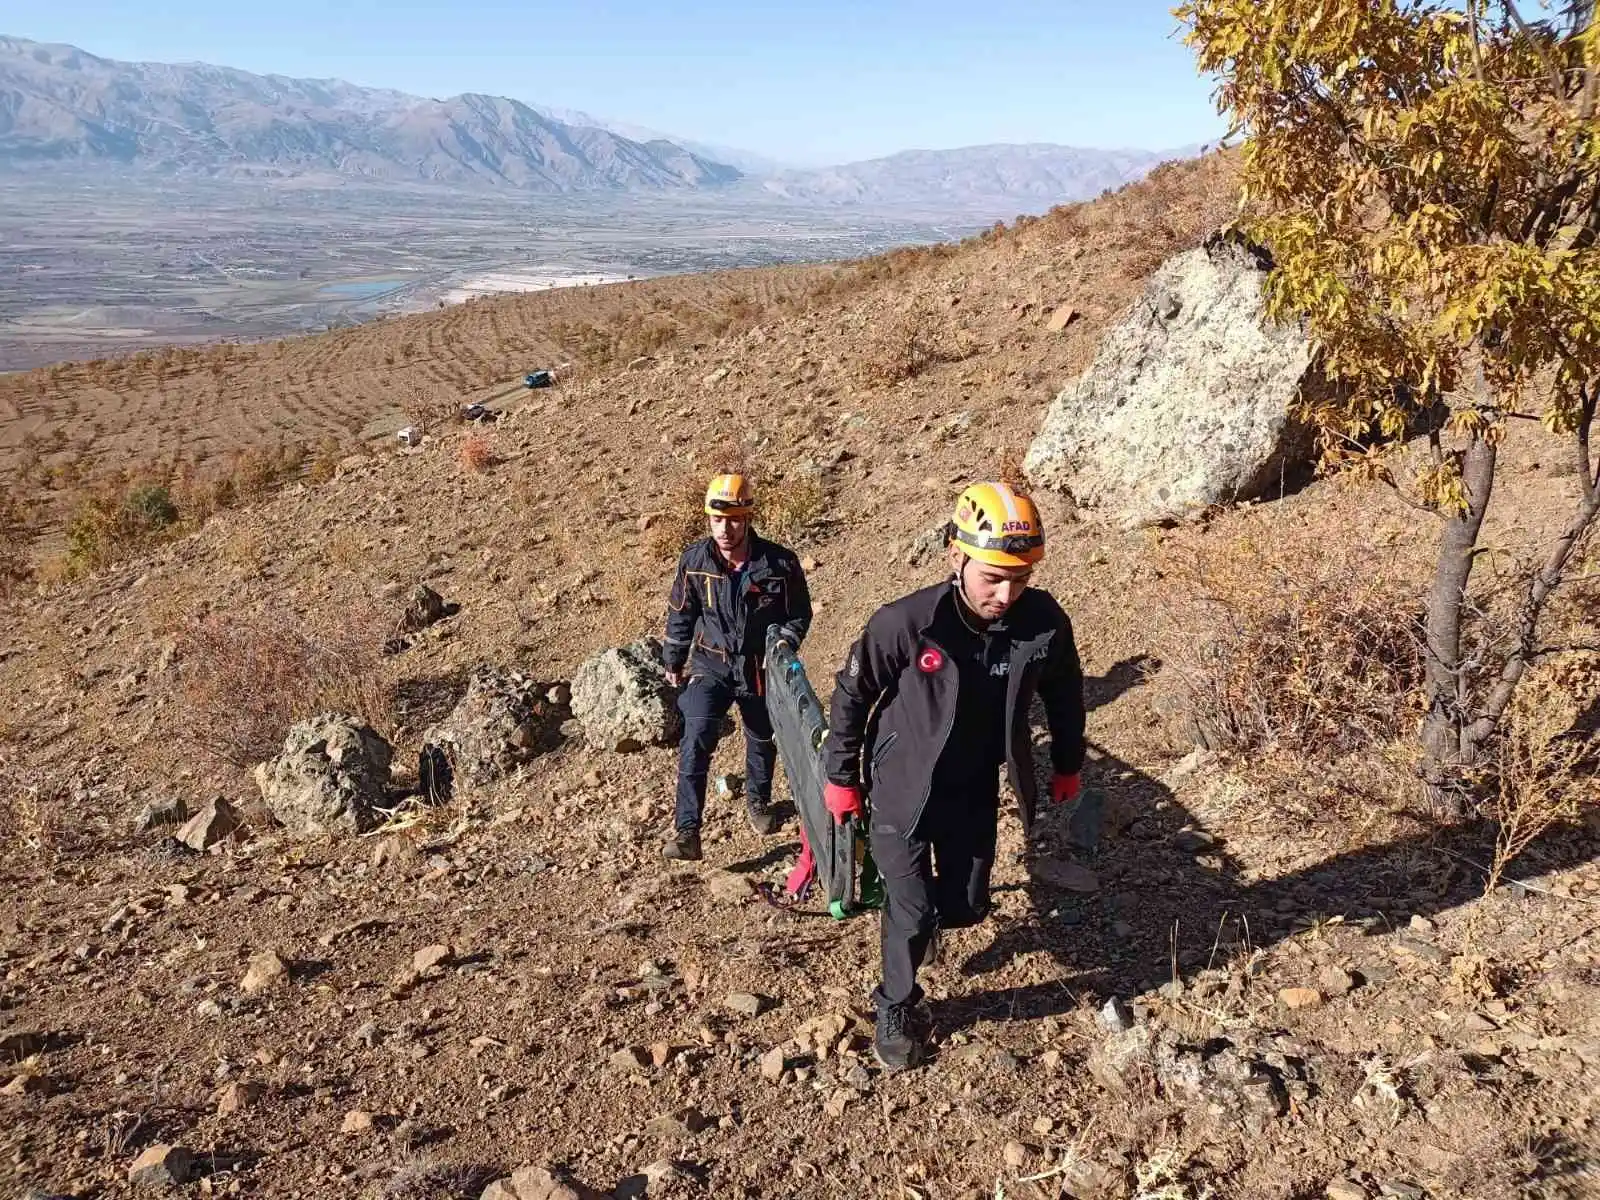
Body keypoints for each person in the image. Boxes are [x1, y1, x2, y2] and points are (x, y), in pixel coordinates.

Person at [822, 481, 1086, 1069]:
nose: (1007, 592)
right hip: (901, 786)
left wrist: (1068, 762)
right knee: (912, 907)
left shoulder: (1040, 623)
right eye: (993, 576)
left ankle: (922, 928)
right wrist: (840, 776)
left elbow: (1066, 693)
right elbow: (852, 695)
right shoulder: (907, 622)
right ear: (956, 555)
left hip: (972, 787)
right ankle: (895, 1001)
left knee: (966, 905)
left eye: (1021, 577)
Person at [661, 473, 812, 861]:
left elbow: (799, 613)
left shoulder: (779, 563)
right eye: (716, 520)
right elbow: (681, 612)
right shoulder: (694, 561)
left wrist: (784, 643)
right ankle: (687, 831)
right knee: (696, 736)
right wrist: (674, 660)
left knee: (762, 736)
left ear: (748, 517)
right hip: (711, 664)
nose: (724, 529)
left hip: (760, 666)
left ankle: (759, 803)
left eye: (732, 520)